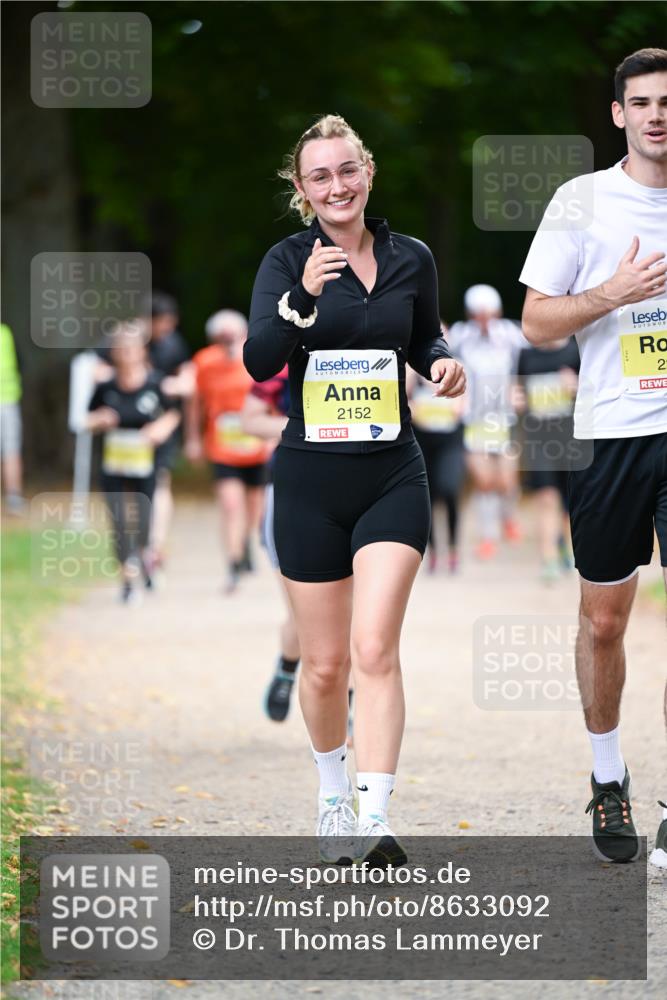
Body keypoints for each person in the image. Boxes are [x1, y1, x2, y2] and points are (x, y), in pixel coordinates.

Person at [244, 114, 465, 866]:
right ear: (302, 189)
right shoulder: (287, 260)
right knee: (325, 664)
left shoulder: (411, 257)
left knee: (374, 648)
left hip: (391, 472)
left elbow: (424, 335)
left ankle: (373, 814)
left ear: (367, 172)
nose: (336, 186)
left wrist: (441, 363)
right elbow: (259, 360)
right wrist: (300, 297)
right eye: (320, 176)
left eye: (347, 169)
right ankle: (332, 792)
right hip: (310, 478)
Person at [520, 47, 667, 864]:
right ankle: (607, 778)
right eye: (640, 102)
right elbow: (537, 323)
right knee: (603, 621)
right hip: (611, 434)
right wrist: (613, 292)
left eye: (666, 102)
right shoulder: (581, 202)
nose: (655, 115)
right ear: (617, 114)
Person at [86, 321, 181, 604]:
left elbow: (173, 413)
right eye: (121, 348)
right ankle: (128, 580)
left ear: (142, 351)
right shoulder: (106, 387)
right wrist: (100, 419)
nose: (127, 352)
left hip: (145, 463)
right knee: (118, 520)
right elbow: (86, 419)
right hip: (114, 464)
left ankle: (146, 561)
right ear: (113, 353)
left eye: (132, 347)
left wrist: (160, 428)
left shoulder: (155, 383)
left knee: (143, 520)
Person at [186, 310, 269, 593]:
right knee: (231, 505)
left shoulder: (258, 356)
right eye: (222, 337)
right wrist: (193, 438)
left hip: (257, 445)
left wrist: (273, 433)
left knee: (255, 508)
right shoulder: (204, 362)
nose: (228, 342)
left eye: (233, 336)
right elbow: (195, 402)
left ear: (244, 334)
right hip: (222, 446)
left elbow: (274, 395)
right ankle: (233, 564)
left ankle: (244, 541)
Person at [448, 286, 526, 560]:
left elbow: (540, 347)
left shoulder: (510, 333)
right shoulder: (461, 335)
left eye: (490, 314)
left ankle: (509, 516)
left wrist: (522, 388)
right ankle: (488, 537)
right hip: (475, 418)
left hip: (504, 417)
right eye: (479, 315)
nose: (485, 321)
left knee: (506, 480)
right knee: (484, 481)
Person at [515, 336, 580, 583]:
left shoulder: (577, 350)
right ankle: (548, 559)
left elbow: (599, 389)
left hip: (573, 437)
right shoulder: (526, 355)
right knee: (546, 497)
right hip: (539, 439)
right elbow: (517, 389)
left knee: (570, 501)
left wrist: (578, 386)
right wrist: (517, 399)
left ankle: (566, 545)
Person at [143, 292, 193, 578]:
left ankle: (155, 546)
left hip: (165, 422)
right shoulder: (127, 340)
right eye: (163, 322)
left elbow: (187, 383)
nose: (168, 328)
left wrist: (163, 385)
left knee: (160, 482)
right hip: (131, 428)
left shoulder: (174, 344)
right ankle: (139, 543)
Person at [407, 349, 466, 574]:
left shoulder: (456, 366)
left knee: (449, 489)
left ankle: (452, 548)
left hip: (449, 441)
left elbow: (464, 403)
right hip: (423, 442)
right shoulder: (413, 370)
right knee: (427, 497)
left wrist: (458, 403)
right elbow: (403, 399)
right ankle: (432, 551)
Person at [0, 323, 26, 515]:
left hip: (7, 398)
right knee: (11, 450)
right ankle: (14, 498)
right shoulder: (5, 332)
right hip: (8, 399)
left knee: (11, 451)